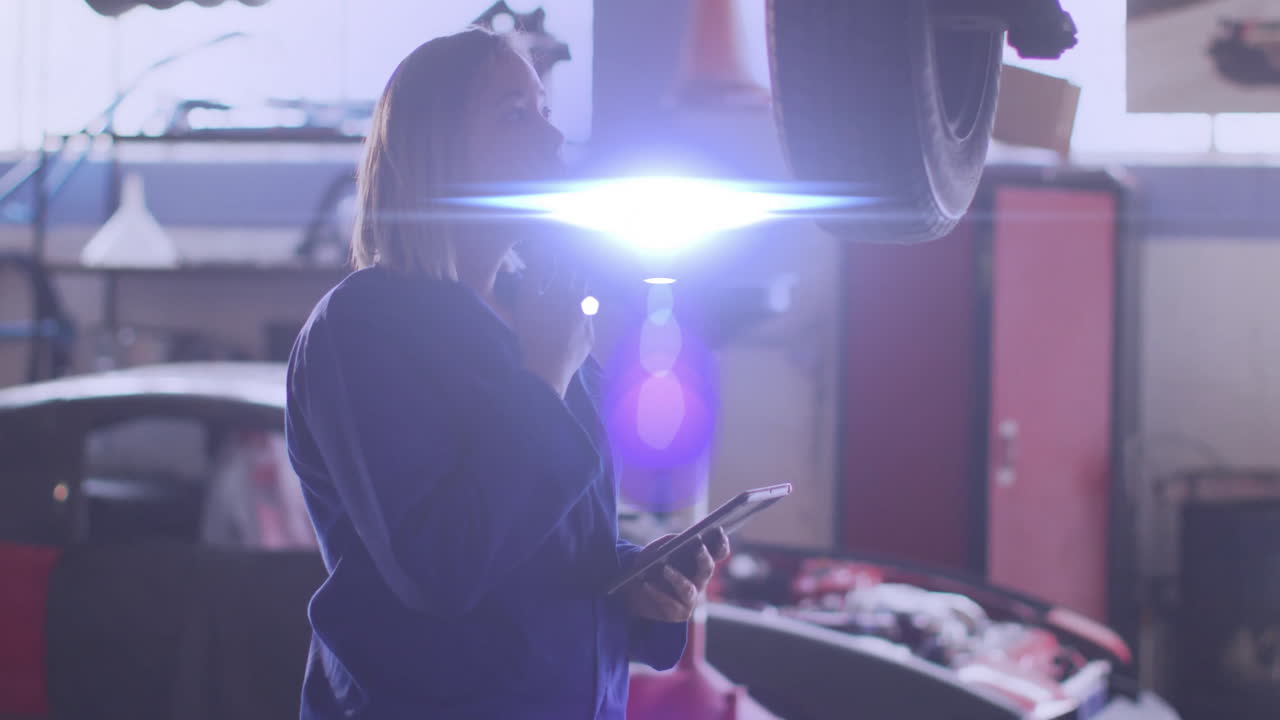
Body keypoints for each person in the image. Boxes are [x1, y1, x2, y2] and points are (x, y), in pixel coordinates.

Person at [285, 28, 729, 720]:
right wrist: (545, 380)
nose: (553, 141)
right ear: (438, 150)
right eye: (515, 114)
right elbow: (441, 567)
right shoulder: (362, 328)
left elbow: (543, 540)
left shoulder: (534, 311)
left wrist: (636, 581)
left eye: (546, 112)